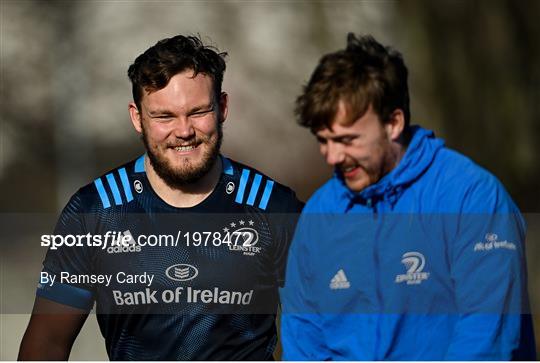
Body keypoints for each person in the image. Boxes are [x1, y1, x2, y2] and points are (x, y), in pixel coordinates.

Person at [18, 35, 303, 360]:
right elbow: (46, 344)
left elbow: (324, 333)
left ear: (222, 108)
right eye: (164, 117)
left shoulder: (274, 208)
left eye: (198, 112)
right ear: (137, 118)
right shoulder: (94, 212)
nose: (183, 131)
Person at [279, 33, 536, 360]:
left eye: (347, 139)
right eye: (324, 140)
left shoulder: (471, 198)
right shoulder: (320, 213)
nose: (331, 156)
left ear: (393, 123)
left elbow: (486, 340)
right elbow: (303, 337)